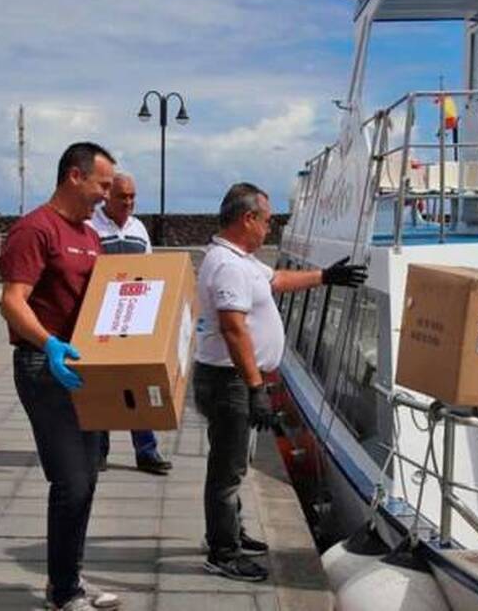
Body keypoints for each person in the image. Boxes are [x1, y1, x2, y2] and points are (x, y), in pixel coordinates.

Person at [194, 182, 367, 582]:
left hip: (234, 379)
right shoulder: (228, 265)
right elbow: (234, 330)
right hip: (230, 381)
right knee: (228, 469)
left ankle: (229, 531)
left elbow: (276, 281)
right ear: (247, 218)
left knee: (234, 461)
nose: (269, 229)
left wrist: (326, 276)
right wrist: (256, 389)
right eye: (266, 221)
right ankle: (222, 552)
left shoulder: (242, 260)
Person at [0, 142, 121, 611]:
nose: (105, 196)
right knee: (70, 480)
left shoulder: (89, 235)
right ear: (75, 176)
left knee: (88, 479)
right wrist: (48, 343)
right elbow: (13, 300)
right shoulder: (35, 230)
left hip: (83, 367)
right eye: (102, 185)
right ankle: (65, 592)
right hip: (44, 367)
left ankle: (68, 581)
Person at [87, 172, 170, 476]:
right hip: (99, 319)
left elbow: (149, 270)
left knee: (138, 385)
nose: (129, 202)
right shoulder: (90, 226)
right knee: (102, 385)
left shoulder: (139, 229)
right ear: (107, 196)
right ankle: (98, 452)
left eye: (133, 196)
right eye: (123, 196)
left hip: (134, 318)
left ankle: (146, 451)